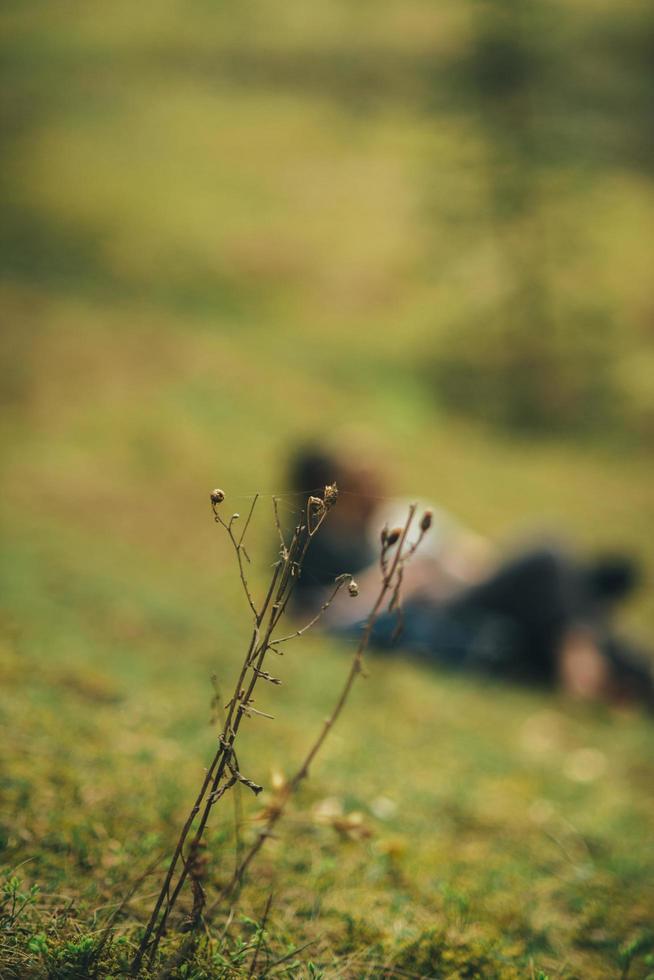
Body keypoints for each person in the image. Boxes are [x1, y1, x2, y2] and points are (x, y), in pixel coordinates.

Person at [285, 444, 654, 710]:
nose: (374, 482)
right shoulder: (320, 541)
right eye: (358, 478)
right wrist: (409, 578)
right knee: (549, 554)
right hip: (443, 608)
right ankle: (577, 648)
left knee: (573, 585)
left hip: (462, 588)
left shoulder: (381, 520)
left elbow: (470, 556)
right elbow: (324, 612)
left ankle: (589, 650)